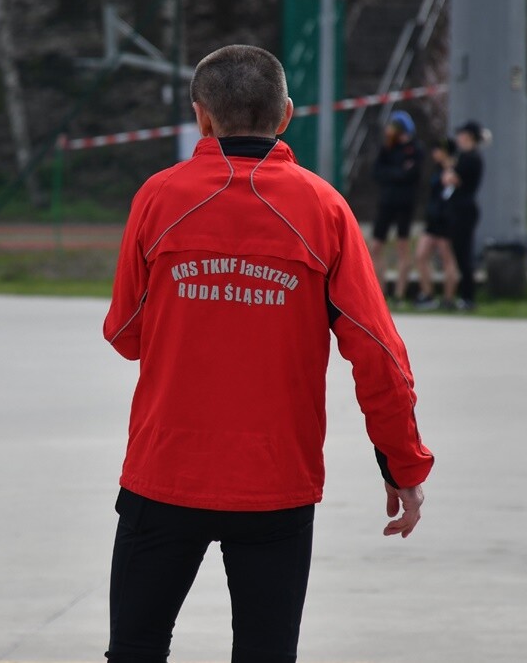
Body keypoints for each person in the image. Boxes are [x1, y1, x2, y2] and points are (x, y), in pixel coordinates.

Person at [102, 45, 433, 663]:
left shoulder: (158, 197)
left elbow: (126, 333)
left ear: (201, 117)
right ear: (285, 116)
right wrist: (403, 466)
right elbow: (379, 354)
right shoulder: (323, 208)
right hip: (276, 484)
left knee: (136, 649)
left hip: (166, 472)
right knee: (266, 652)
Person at [369, 110, 424, 306]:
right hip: (386, 202)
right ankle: (380, 294)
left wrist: (395, 174)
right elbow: (378, 172)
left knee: (402, 247)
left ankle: (399, 295)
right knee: (376, 246)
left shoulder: (415, 149)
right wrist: (398, 172)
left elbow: (410, 175)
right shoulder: (387, 149)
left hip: (404, 204)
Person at [444, 120, 488, 311]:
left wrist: (448, 168)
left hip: (465, 209)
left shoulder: (472, 158)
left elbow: (450, 178)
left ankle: (468, 296)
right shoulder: (463, 156)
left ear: (469, 136)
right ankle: (464, 294)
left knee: (464, 253)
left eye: (461, 134)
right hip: (458, 208)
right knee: (458, 252)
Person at [414, 137, 459, 309]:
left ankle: (448, 298)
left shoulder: (452, 170)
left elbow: (450, 194)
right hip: (432, 219)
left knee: (447, 258)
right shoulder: (437, 169)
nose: (434, 154)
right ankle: (428, 294)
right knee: (421, 256)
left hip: (445, 221)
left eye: (437, 150)